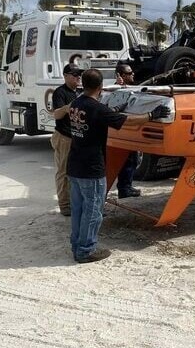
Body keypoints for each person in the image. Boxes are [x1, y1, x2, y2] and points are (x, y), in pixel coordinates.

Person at [67, 68, 170, 263]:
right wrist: (151, 115)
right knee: (93, 211)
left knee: (79, 209)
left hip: (74, 166)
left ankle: (76, 245)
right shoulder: (97, 108)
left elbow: (99, 117)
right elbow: (128, 121)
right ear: (101, 87)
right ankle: (86, 251)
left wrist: (114, 110)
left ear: (84, 84)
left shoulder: (77, 103)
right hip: (92, 169)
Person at [50, 63, 82, 216]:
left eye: (79, 74)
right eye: (74, 74)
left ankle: (76, 201)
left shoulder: (80, 92)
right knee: (63, 172)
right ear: (65, 76)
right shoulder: (60, 92)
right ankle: (65, 205)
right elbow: (55, 114)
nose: (78, 77)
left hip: (77, 137)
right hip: (64, 137)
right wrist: (67, 107)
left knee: (77, 172)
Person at [114, 64, 141, 199]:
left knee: (132, 160)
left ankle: (126, 187)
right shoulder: (115, 89)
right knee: (128, 161)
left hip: (129, 129)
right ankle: (124, 188)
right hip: (122, 130)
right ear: (122, 76)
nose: (133, 74)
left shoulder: (132, 87)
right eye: (130, 73)